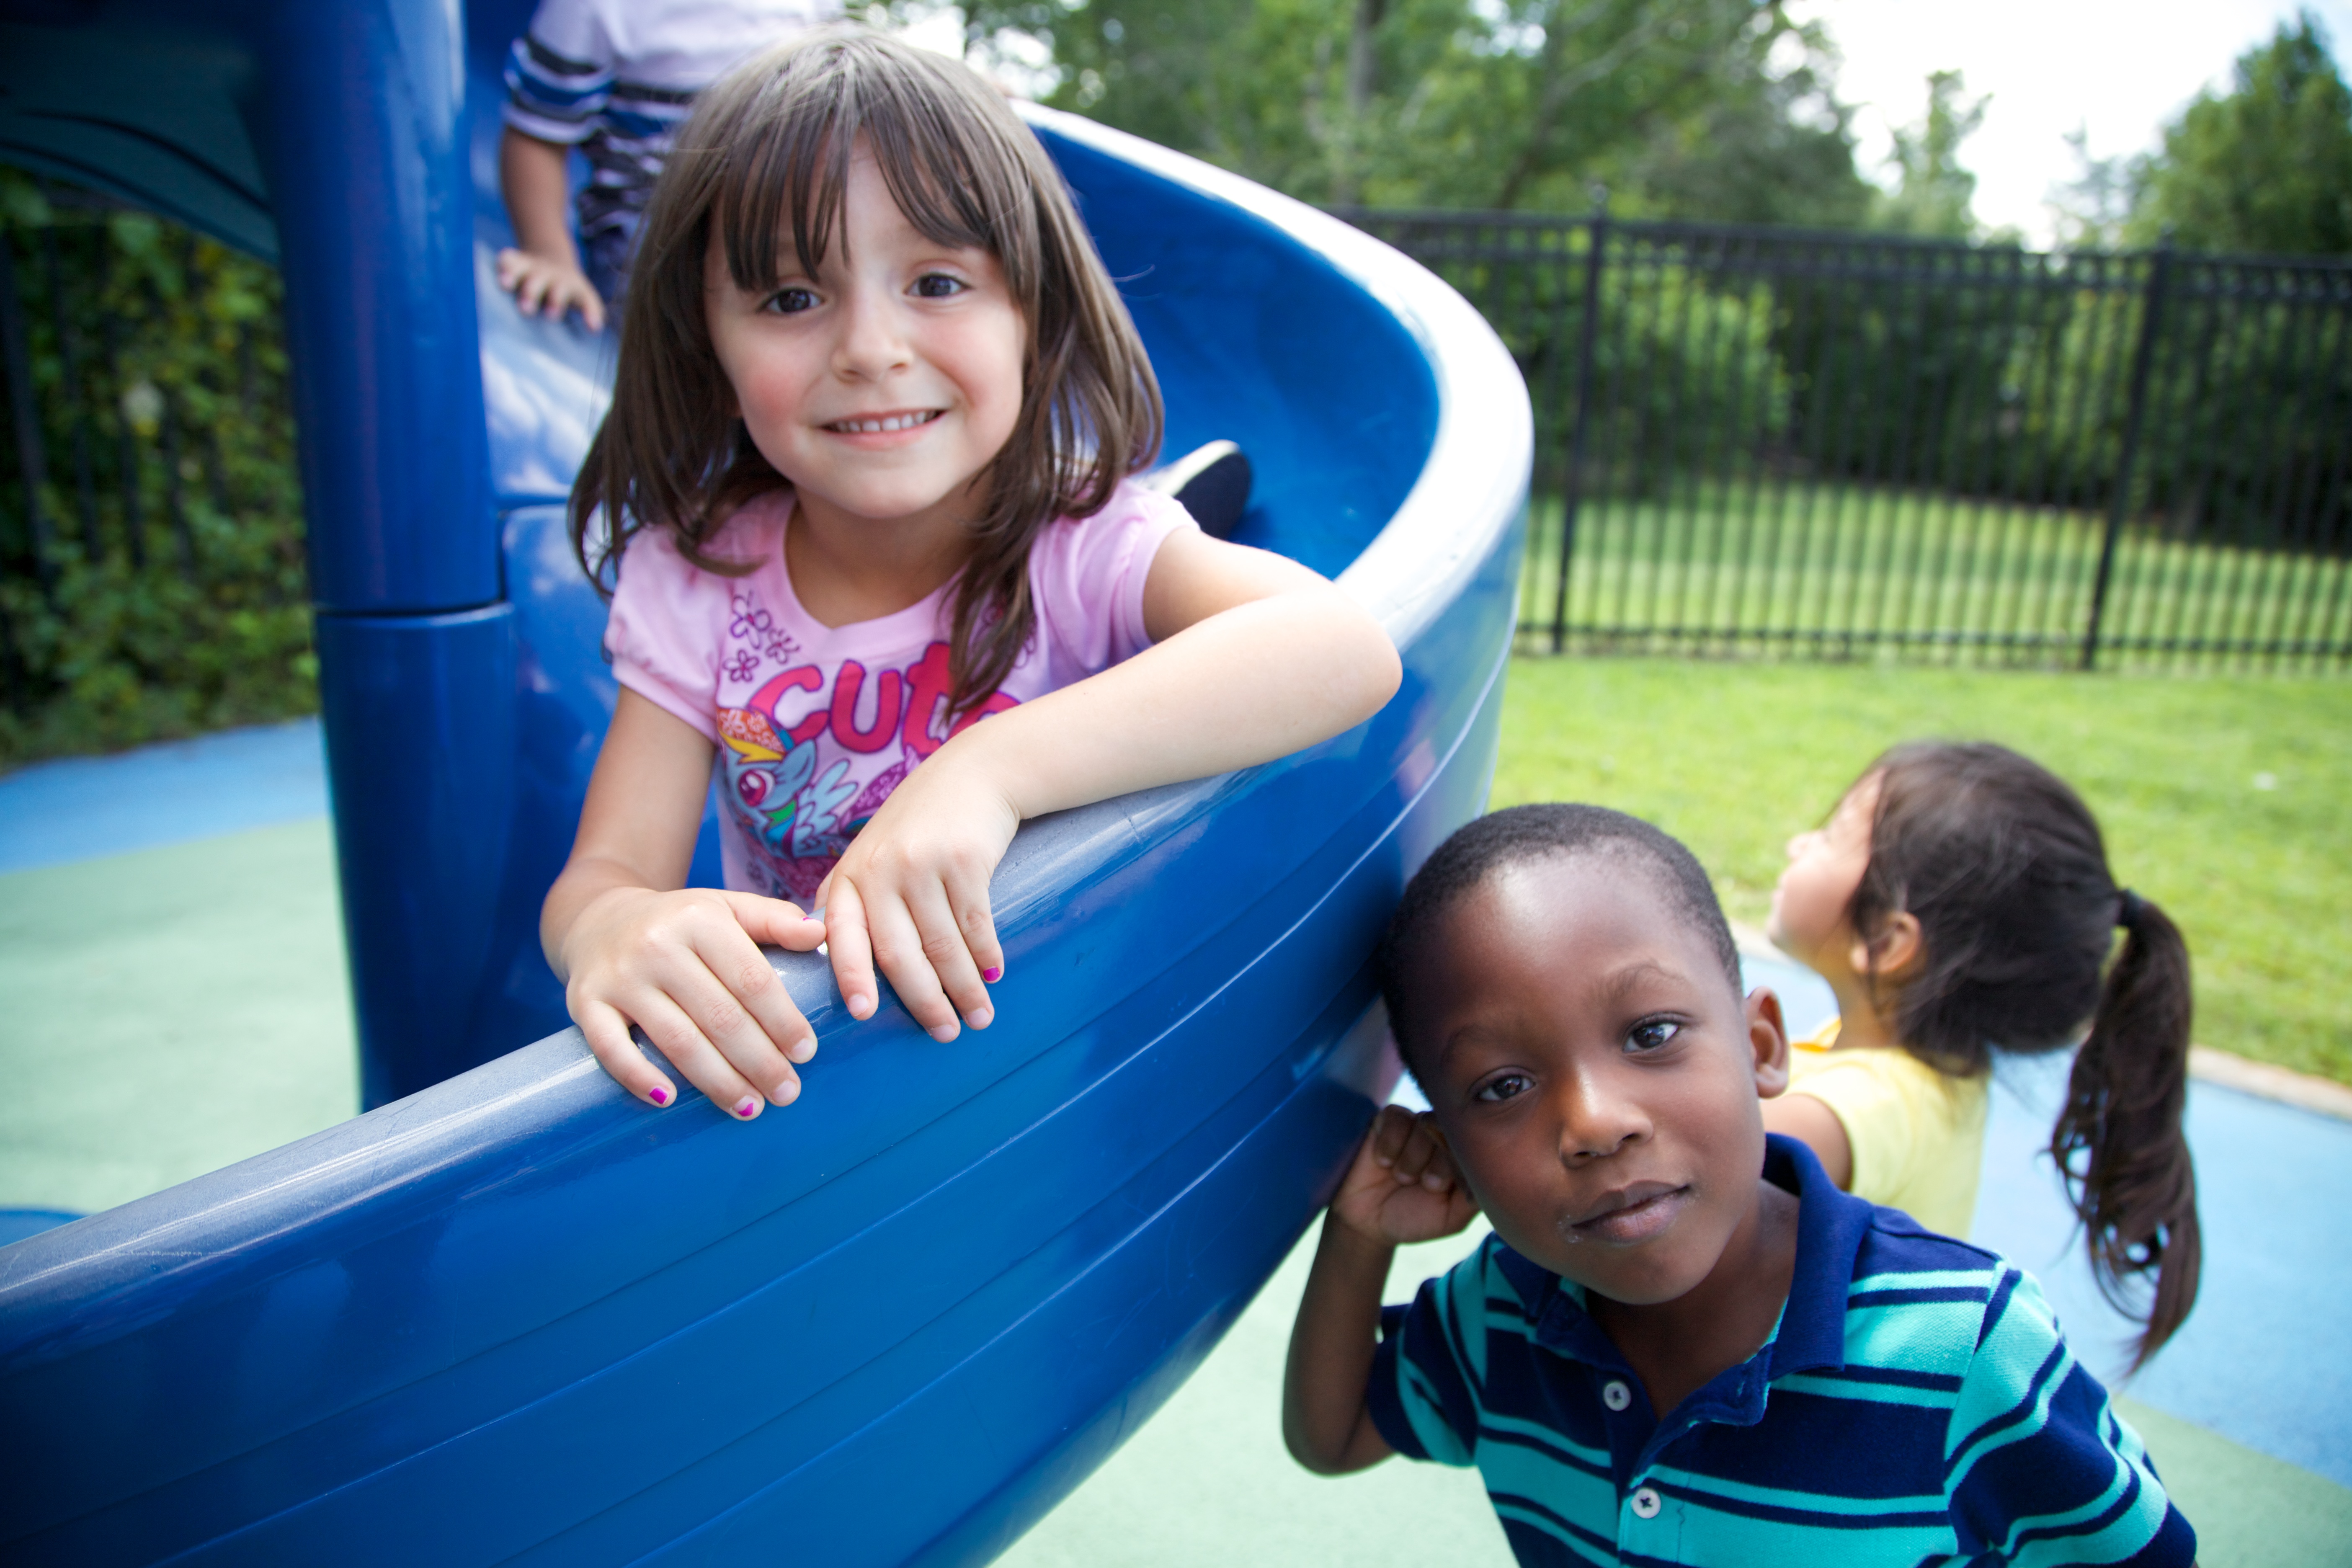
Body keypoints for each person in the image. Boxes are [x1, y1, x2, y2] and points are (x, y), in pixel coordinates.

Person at [538, 28, 1403, 1123]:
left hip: (1058, 1064)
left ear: (1030, 316)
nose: (870, 347)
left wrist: (983, 773)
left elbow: (1340, 648)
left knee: (1160, 564)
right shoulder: (699, 578)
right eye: (793, 299)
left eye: (937, 281)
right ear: (705, 338)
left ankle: (1187, 515)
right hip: (843, 1085)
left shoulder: (1076, 545)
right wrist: (612, 928)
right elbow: (606, 872)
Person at [1282, 804, 2195, 1567]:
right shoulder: (1501, 1315)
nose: (1597, 1122)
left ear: (1762, 1047)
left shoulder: (1964, 1349)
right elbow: (1332, 1437)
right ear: (1450, 1136)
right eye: (1502, 1087)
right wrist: (1360, 1235)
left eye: (1650, 1034)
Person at [1761, 741, 2199, 1362]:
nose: (1798, 845)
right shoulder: (1932, 1070)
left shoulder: (1870, 1103)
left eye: (1831, 837)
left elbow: (1692, 1160)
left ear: (1888, 941)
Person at [498, 0, 843, 329]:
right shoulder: (597, 9)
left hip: (774, 207)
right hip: (654, 224)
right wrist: (551, 256)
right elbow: (537, 137)